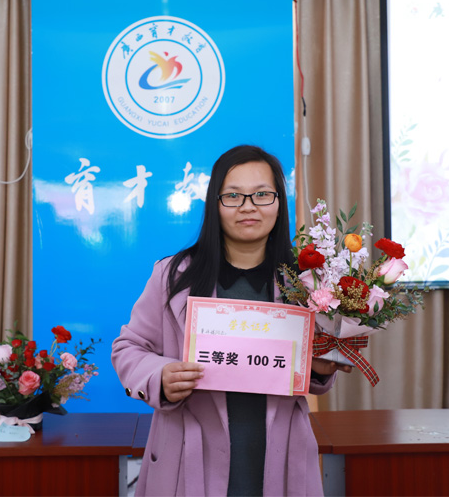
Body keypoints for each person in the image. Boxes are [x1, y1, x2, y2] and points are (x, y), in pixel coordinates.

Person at [112, 145, 350, 496]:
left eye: (262, 194)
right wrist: (159, 376)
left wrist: (320, 368)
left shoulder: (307, 282)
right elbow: (129, 347)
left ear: (279, 203)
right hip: (188, 457)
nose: (248, 206)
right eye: (234, 196)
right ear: (215, 204)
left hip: (279, 455)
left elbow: (315, 370)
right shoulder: (172, 275)